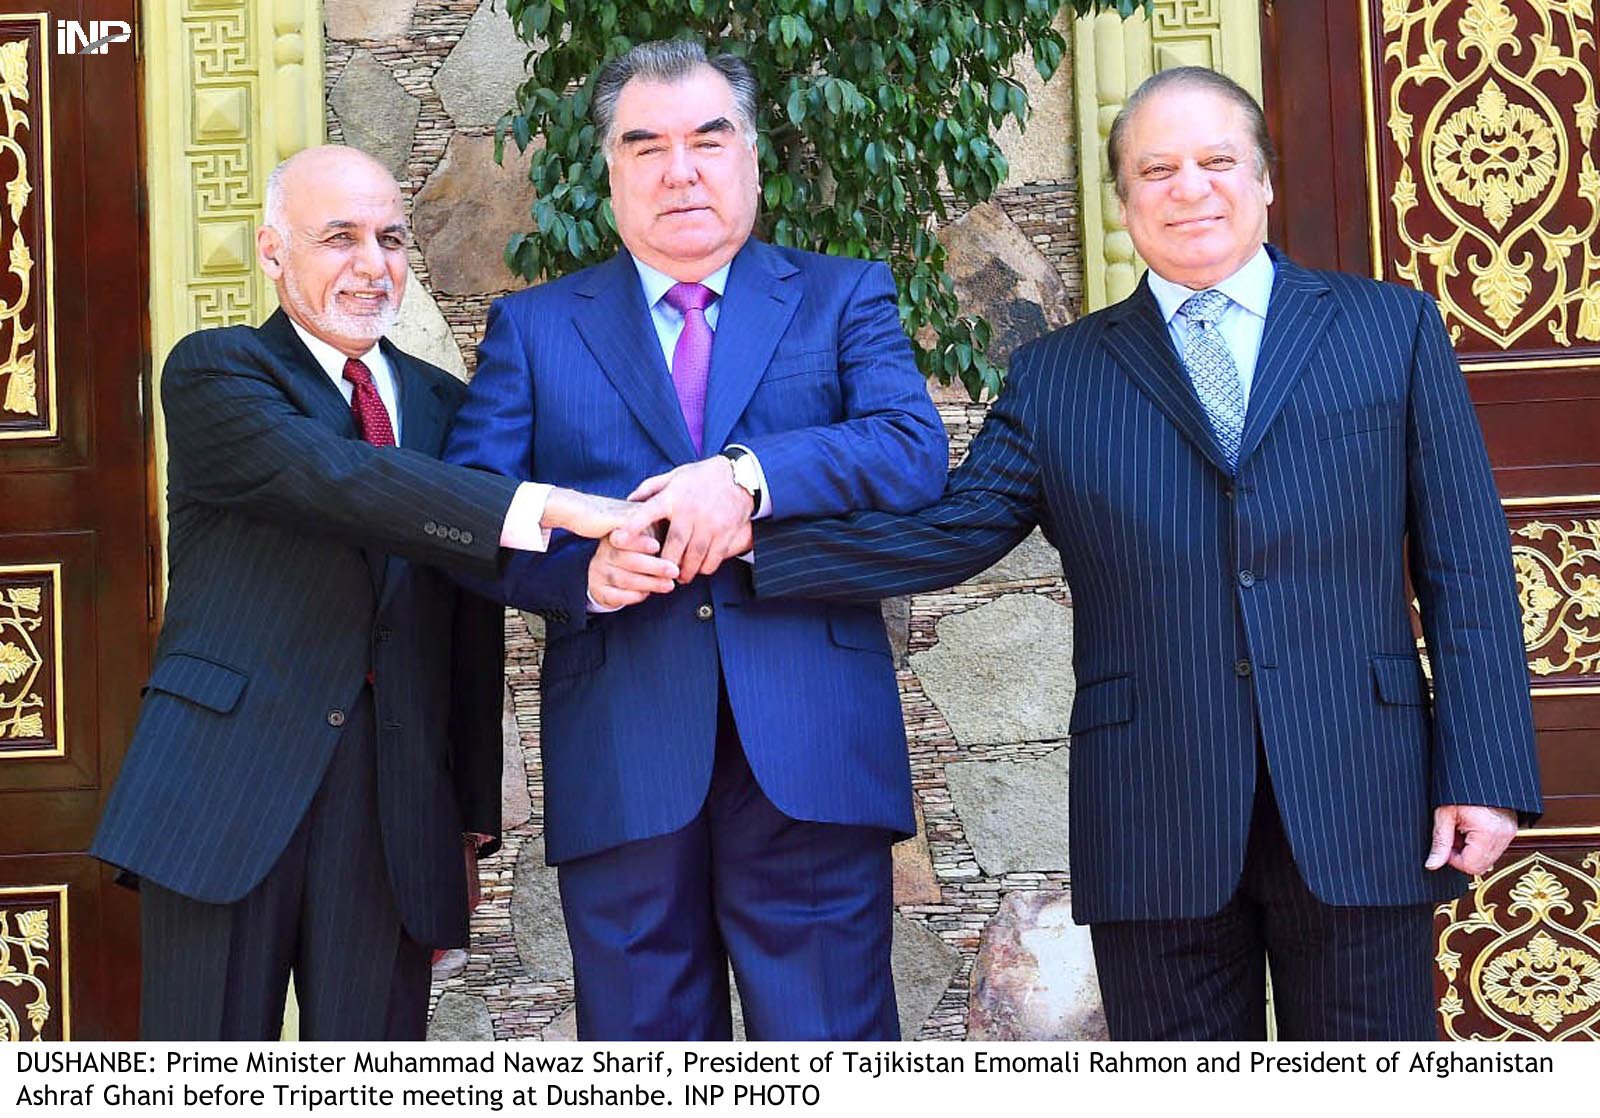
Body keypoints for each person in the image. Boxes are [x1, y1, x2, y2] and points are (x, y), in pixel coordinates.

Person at [745, 67, 1543, 1041]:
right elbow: (946, 529)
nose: (1189, 187)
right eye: (1156, 169)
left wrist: (1486, 769)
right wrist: (747, 547)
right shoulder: (1058, 375)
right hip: (1153, 817)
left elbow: (1465, 566)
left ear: (1263, 181)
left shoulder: (1391, 328)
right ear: (1123, 200)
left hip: (1359, 794)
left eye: (1216, 161)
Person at [91, 145, 658, 1040]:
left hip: (394, 813)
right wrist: (549, 505)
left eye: (391, 238)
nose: (372, 264)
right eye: (339, 238)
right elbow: (339, 479)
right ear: (273, 252)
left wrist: (468, 819)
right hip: (222, 790)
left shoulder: (446, 406)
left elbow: (467, 615)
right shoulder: (218, 373)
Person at [443, 40, 948, 1040]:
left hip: (810, 744)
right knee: (642, 1056)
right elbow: (468, 509)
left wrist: (748, 477)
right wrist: (578, 570)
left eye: (708, 142)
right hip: (624, 746)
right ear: (612, 170)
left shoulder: (844, 295)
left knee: (830, 1049)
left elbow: (909, 449)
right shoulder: (535, 328)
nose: (681, 169)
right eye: (647, 146)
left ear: (751, 157)